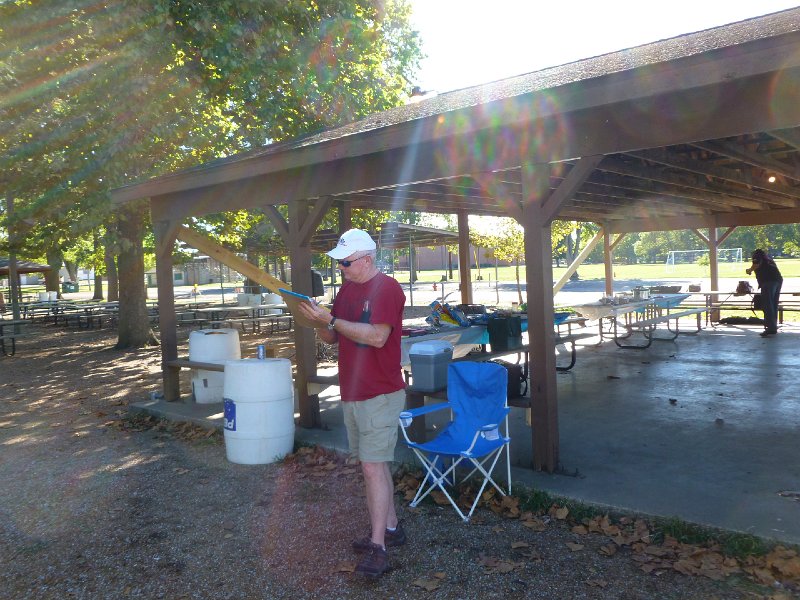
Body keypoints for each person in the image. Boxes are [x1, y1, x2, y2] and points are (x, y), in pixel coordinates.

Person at [296, 228, 406, 579]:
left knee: (373, 466)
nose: (340, 268)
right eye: (338, 263)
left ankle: (379, 547)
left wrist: (330, 320)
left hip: (380, 392)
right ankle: (391, 528)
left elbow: (377, 337)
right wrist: (316, 320)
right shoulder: (346, 290)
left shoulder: (387, 288)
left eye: (345, 262)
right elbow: (332, 334)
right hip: (354, 391)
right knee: (374, 464)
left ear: (367, 259)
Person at [746, 248, 782, 337]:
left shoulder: (757, 256)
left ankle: (770, 328)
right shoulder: (768, 257)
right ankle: (773, 326)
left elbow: (756, 264)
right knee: (773, 304)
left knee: (767, 304)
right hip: (778, 280)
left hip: (768, 282)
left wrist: (749, 270)